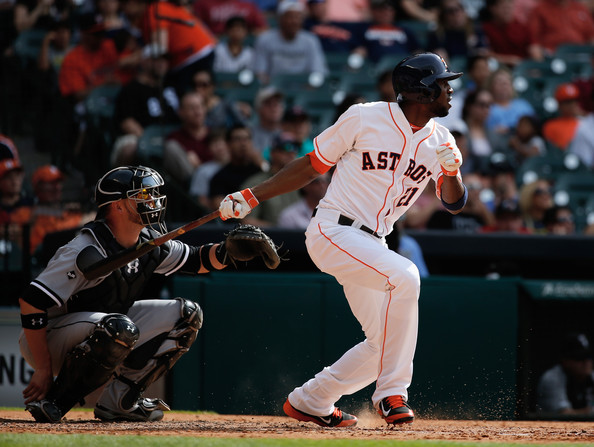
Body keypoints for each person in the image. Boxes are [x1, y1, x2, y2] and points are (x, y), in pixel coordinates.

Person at [217, 52, 468, 427]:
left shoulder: (442, 140)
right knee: (406, 277)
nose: (450, 90)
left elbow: (454, 203)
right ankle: (391, 394)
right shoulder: (365, 117)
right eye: (443, 83)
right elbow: (311, 165)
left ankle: (311, 400)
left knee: (385, 343)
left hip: (374, 245)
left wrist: (451, 172)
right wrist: (253, 196)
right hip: (333, 230)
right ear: (422, 90)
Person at [18, 165, 277, 423]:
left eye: (153, 194)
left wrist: (228, 251)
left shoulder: (149, 240)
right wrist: (43, 368)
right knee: (119, 327)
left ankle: (121, 400)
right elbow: (31, 302)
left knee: (187, 315)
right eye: (142, 195)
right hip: (50, 337)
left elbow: (197, 260)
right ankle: (54, 401)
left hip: (106, 325)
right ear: (118, 206)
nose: (152, 200)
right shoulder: (84, 248)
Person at [110, 51, 179, 167]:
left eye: (164, 59)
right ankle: (122, 178)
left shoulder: (172, 84)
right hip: (141, 136)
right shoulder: (131, 89)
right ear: (144, 62)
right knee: (129, 149)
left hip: (173, 136)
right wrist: (148, 139)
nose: (162, 63)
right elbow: (127, 123)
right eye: (156, 59)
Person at [141, 0, 217, 96]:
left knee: (177, 94)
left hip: (192, 55)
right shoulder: (164, 5)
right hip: (201, 51)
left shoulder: (156, 8)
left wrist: (132, 59)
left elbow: (159, 48)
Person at [252, 0, 328, 84]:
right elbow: (259, 71)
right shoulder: (265, 39)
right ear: (280, 19)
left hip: (303, 88)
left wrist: (310, 87)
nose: (294, 21)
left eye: (297, 17)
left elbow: (318, 70)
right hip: (272, 87)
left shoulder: (311, 40)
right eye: (290, 17)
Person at [28, 165, 95, 254]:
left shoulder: (66, 208)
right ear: (39, 186)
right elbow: (57, 231)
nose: (57, 187)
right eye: (51, 183)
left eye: (58, 182)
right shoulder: (31, 212)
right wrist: (84, 219)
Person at [240, 134, 301, 227]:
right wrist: (280, 230)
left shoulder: (305, 183)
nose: (291, 153)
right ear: (272, 153)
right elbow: (247, 221)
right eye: (285, 148)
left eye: (295, 148)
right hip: (268, 235)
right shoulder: (255, 183)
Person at [536, 333, 594, 416]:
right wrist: (589, 411)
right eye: (579, 357)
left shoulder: (591, 376)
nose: (586, 362)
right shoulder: (552, 379)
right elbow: (564, 415)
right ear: (565, 360)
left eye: (588, 357)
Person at [163, 91, 212, 186]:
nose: (198, 112)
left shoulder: (215, 134)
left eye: (200, 106)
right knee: (171, 147)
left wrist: (200, 167)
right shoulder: (175, 138)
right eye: (192, 108)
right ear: (181, 112)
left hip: (219, 183)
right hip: (192, 185)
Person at [527, 0, 594, 59]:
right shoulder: (540, 9)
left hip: (580, 54)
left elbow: (591, 35)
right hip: (554, 56)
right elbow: (535, 43)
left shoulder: (580, 8)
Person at [542, 83, 584, 151]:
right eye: (568, 102)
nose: (572, 105)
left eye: (575, 101)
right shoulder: (550, 126)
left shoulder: (585, 123)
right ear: (559, 104)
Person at [193, 0, 268, 37]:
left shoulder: (247, 5)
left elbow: (264, 29)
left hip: (245, 47)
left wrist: (243, 34)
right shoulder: (203, 3)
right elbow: (193, 26)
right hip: (215, 43)